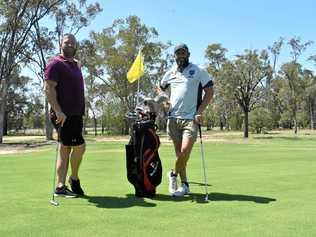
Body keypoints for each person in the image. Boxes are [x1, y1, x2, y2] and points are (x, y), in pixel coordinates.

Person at [157, 43, 214, 197]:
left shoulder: (198, 71)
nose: (180, 56)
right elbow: (160, 87)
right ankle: (185, 185)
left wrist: (200, 111)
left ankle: (173, 175)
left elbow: (209, 92)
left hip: (191, 119)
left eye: (183, 53)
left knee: (184, 152)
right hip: (173, 118)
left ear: (188, 54)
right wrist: (164, 101)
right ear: (174, 56)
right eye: (178, 54)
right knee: (179, 155)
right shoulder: (171, 73)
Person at [44, 33, 86, 198]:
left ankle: (61, 186)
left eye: (73, 43)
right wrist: (58, 110)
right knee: (79, 147)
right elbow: (48, 89)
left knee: (65, 149)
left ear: (76, 46)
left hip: (76, 114)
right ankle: (73, 179)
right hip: (64, 115)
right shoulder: (55, 64)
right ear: (61, 44)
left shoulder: (76, 65)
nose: (70, 45)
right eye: (67, 42)